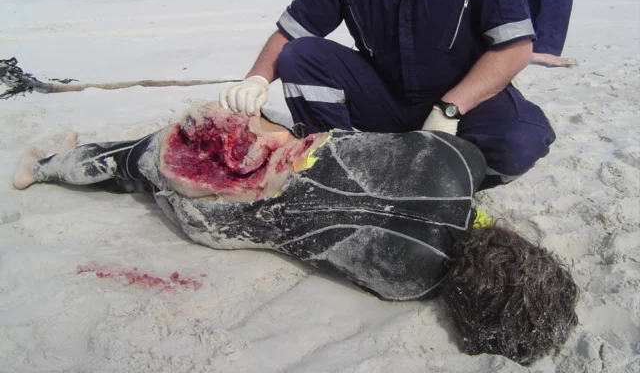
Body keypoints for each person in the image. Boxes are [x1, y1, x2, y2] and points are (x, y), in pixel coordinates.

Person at [13, 103, 578, 364]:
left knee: (150, 157)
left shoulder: (459, 166)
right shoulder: (409, 285)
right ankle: (58, 165)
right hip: (219, 225)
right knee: (150, 176)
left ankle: (46, 165)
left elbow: (438, 152)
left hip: (258, 159)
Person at [219, 0, 556, 191]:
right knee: (299, 55)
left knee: (521, 142)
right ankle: (338, 168)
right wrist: (257, 78)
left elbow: (515, 48)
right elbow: (291, 34)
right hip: (385, 98)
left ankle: (445, 190)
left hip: (462, 105)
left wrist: (449, 109)